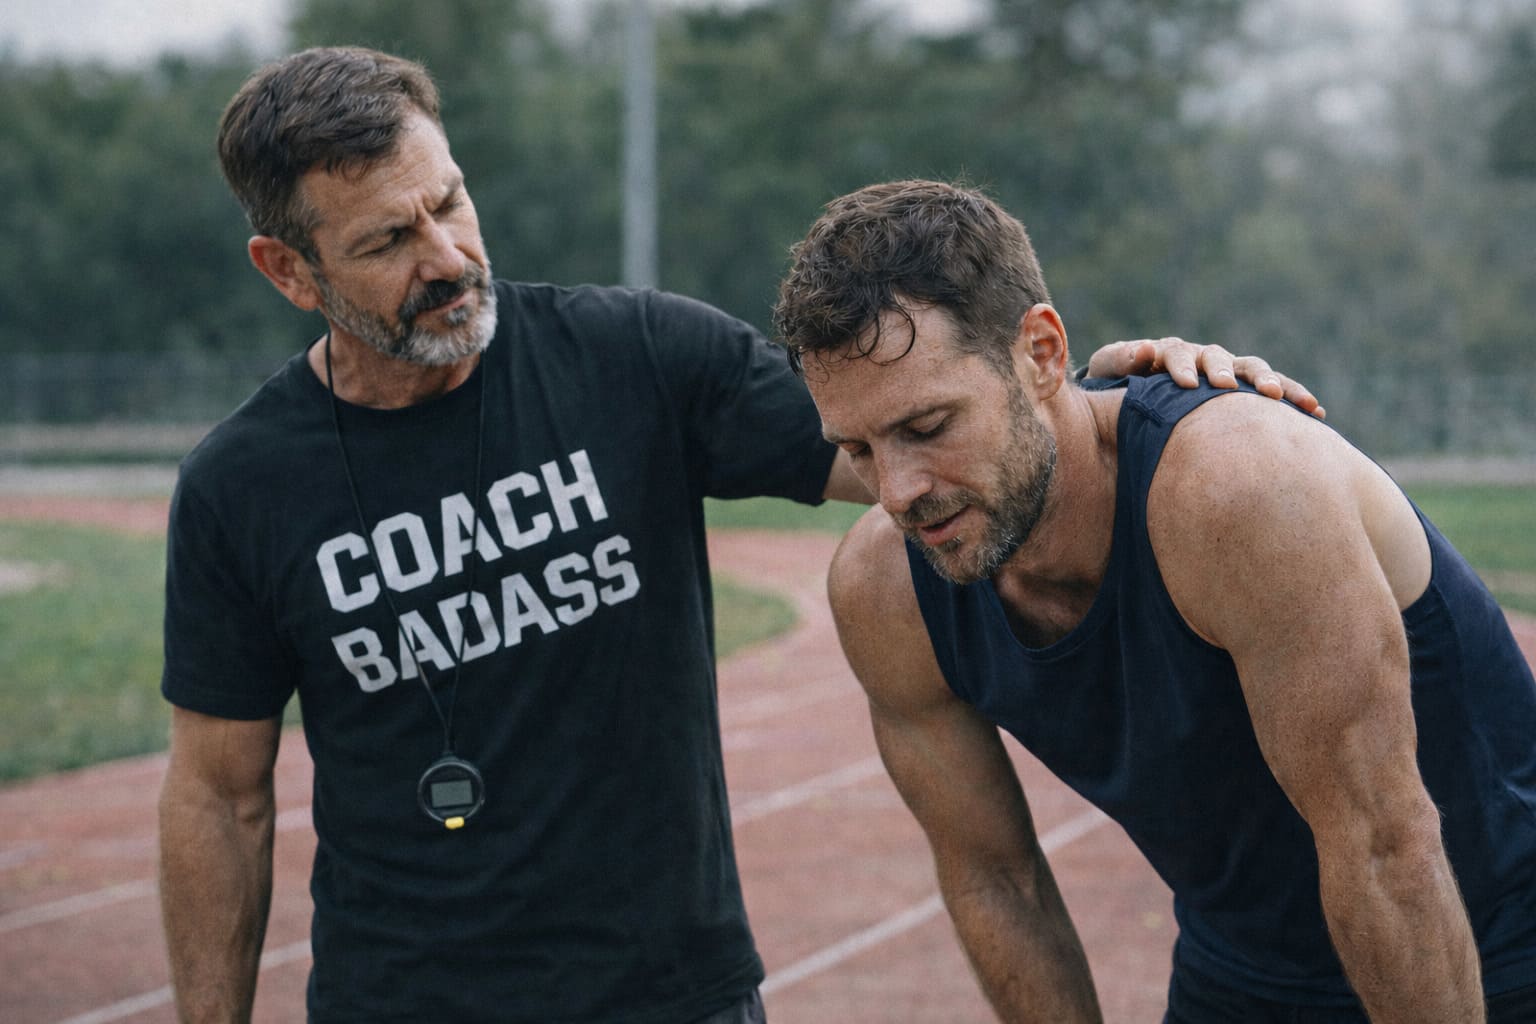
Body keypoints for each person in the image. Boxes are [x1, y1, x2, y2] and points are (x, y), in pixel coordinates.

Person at [156, 48, 1314, 1023]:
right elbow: (221, 797)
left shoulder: (634, 361)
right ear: (289, 273)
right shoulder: (238, 490)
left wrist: (1148, 404)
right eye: (385, 242)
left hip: (674, 993)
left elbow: (924, 450)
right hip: (401, 1001)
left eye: (448, 202)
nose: (447, 258)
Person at [773, 179, 1536, 1023]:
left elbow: (1384, 848)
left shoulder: (1240, 490)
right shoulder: (887, 589)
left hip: (1491, 953)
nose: (898, 490)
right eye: (858, 448)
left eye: (927, 427)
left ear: (1041, 354)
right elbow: (997, 878)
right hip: (1239, 974)